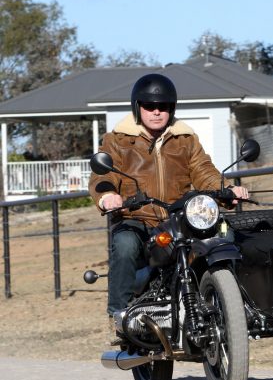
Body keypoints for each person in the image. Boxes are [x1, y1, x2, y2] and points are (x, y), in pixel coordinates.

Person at [88, 73, 248, 322]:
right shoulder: (117, 140)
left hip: (179, 218)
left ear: (171, 108)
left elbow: (203, 170)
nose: (156, 112)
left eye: (162, 106)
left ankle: (233, 306)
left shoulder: (185, 140)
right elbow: (103, 175)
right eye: (149, 106)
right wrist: (108, 195)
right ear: (137, 106)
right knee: (125, 245)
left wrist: (226, 189)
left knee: (225, 235)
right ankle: (118, 314)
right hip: (136, 217)